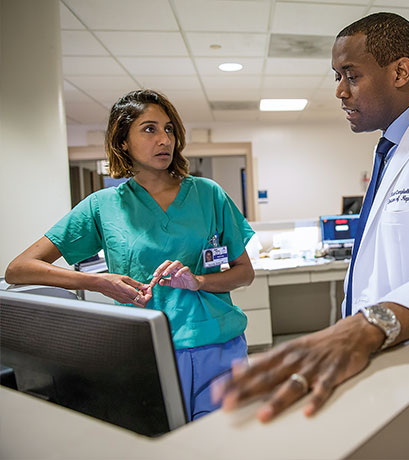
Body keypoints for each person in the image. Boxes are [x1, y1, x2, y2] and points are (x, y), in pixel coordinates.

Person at [213, 12, 409, 423]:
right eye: (337, 75)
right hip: (373, 360)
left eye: (351, 75)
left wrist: (371, 325)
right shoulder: (389, 148)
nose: (338, 91)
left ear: (401, 71)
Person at [5, 89, 255, 421]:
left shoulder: (208, 194)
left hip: (219, 345)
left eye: (168, 129)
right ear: (123, 140)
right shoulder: (103, 206)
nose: (164, 139)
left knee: (228, 445)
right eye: (149, 129)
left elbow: (244, 272)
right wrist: (97, 282)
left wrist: (198, 280)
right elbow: (19, 269)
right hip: (148, 350)